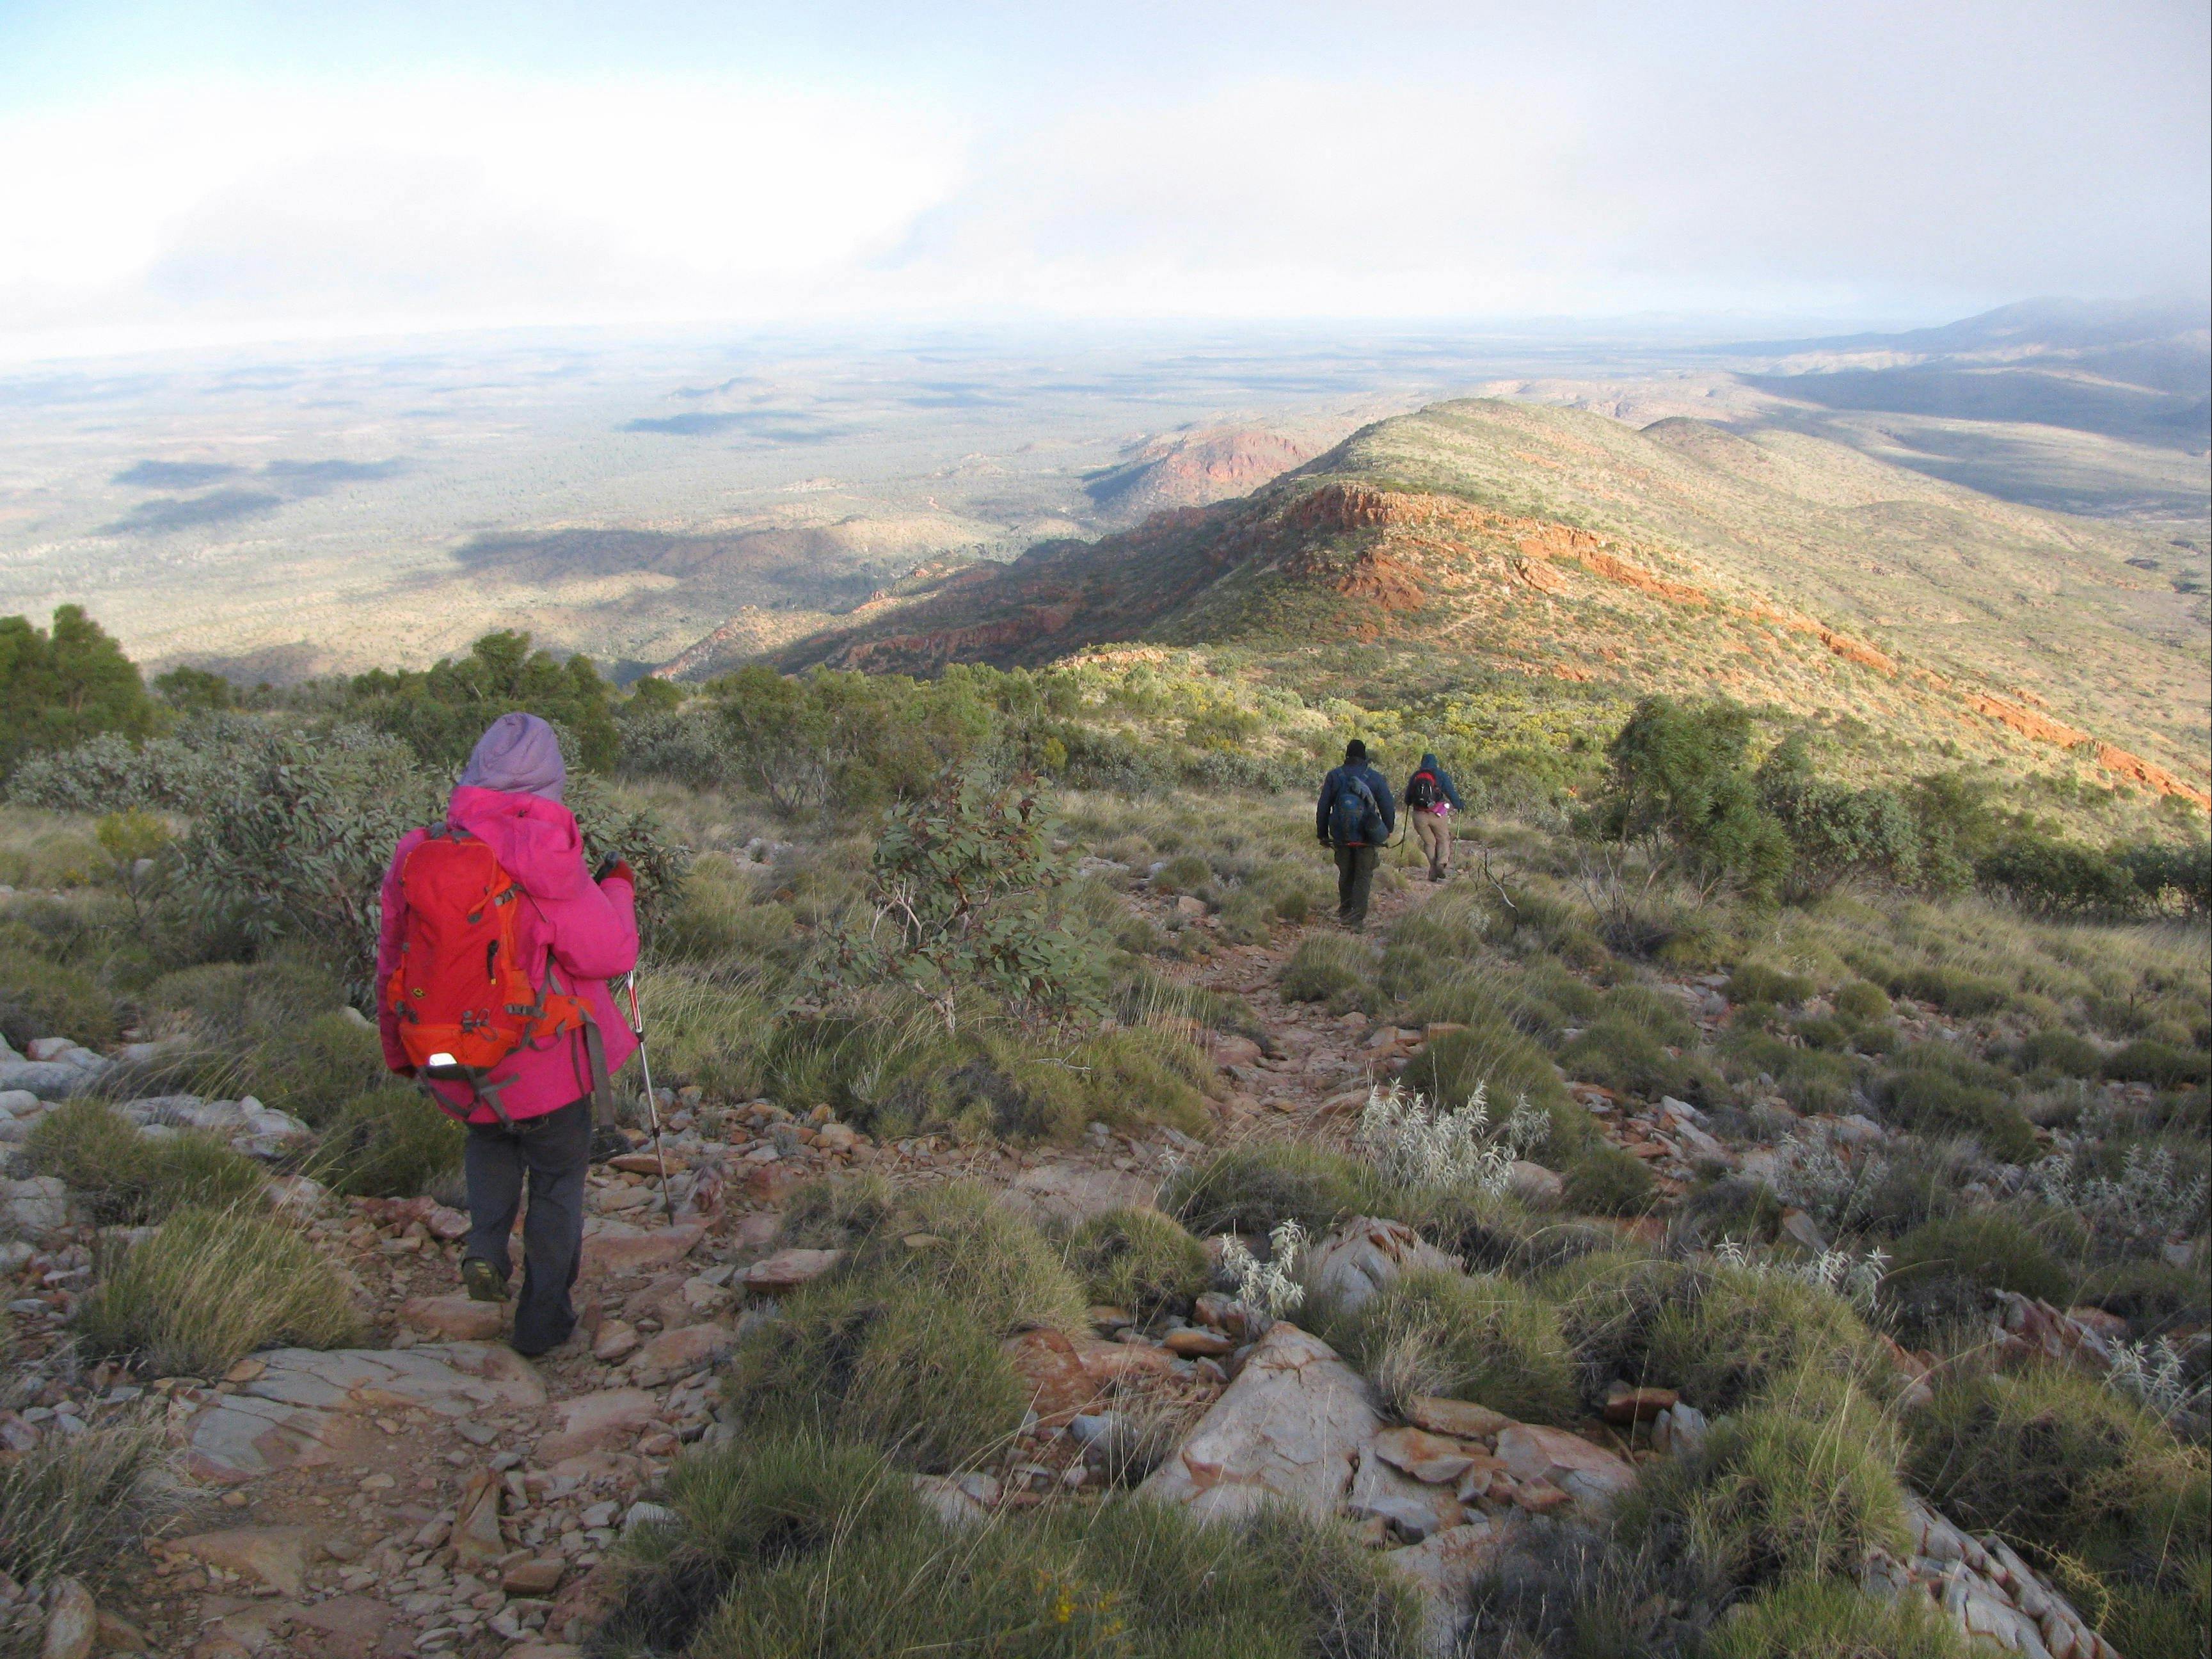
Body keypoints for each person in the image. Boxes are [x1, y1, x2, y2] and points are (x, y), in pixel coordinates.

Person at [376, 712, 639, 1358]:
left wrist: (402, 1052)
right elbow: (608, 955)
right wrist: (619, 890)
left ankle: (486, 1249)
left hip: (458, 1058)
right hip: (549, 1068)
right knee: (555, 1185)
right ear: (552, 779)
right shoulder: (550, 860)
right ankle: (542, 1320)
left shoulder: (422, 853)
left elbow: (391, 961)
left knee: (488, 1143)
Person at [1315, 739, 1396, 931]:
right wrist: (1387, 829)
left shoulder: (1335, 775)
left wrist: (1322, 834)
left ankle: (1344, 912)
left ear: (1347, 755)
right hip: (1367, 835)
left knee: (1346, 873)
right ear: (1364, 756)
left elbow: (1324, 807)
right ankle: (1356, 919)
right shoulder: (1375, 777)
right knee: (1363, 876)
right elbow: (1387, 806)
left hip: (1341, 834)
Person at [1403, 750, 1467, 883]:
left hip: (1419, 815)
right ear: (1435, 763)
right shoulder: (1441, 775)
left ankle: (1433, 870)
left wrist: (1411, 802)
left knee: (1429, 842)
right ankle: (1441, 863)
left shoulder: (1416, 775)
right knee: (1443, 838)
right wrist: (1459, 805)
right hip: (1437, 813)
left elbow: (1408, 799)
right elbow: (1451, 793)